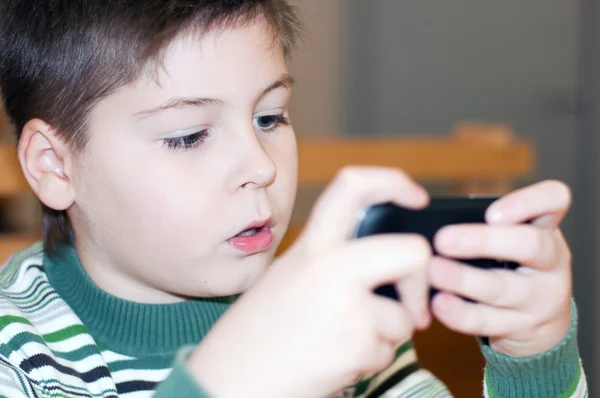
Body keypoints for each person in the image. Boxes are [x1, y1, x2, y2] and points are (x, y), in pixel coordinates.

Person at [0, 0, 587, 396]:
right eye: (188, 135)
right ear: (55, 165)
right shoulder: (17, 355)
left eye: (270, 117)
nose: (260, 166)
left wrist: (535, 360)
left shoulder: (332, 317)